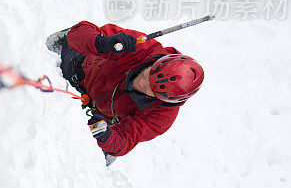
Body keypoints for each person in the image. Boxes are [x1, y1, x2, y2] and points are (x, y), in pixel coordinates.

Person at [46, 21, 204, 165]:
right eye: (148, 73)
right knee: (72, 43)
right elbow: (83, 31)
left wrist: (108, 137)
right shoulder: (140, 48)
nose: (142, 83)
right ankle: (69, 47)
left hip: (103, 119)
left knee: (95, 154)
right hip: (83, 72)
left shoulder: (162, 117)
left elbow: (127, 139)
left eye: (151, 89)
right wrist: (102, 43)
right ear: (155, 63)